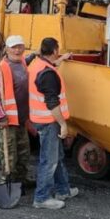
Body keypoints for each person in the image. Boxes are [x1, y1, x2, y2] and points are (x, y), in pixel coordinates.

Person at [29, 37, 78, 210]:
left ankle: (63, 190)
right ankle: (41, 198)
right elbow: (52, 103)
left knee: (57, 157)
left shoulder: (38, 64)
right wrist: (63, 124)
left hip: (43, 120)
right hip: (49, 122)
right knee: (49, 161)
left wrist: (62, 59)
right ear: (55, 50)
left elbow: (50, 65)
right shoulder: (48, 74)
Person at [0, 35, 36, 191]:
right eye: (13, 47)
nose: (17, 50)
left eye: (20, 47)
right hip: (7, 121)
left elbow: (26, 61)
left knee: (24, 152)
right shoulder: (2, 68)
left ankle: (22, 180)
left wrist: (34, 55)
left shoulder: (21, 62)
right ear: (7, 49)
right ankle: (8, 183)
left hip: (20, 119)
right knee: (9, 155)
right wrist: (1, 117)